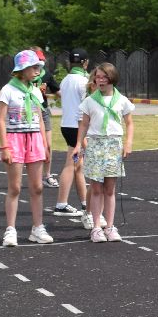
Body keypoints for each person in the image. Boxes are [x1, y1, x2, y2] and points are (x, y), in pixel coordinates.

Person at [0, 49, 53, 247]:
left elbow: (40, 119)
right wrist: (4, 146)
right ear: (22, 69)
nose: (38, 70)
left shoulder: (36, 91)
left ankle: (37, 228)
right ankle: (10, 230)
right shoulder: (8, 90)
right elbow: (1, 120)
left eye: (39, 66)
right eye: (34, 66)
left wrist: (45, 146)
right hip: (15, 140)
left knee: (37, 187)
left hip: (35, 140)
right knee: (15, 187)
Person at [74, 62, 135, 243]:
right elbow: (84, 124)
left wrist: (128, 142)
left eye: (103, 77)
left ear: (111, 78)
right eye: (97, 77)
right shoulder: (90, 101)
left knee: (110, 189)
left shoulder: (122, 100)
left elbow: (129, 123)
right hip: (95, 144)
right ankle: (96, 228)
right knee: (96, 188)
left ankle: (109, 226)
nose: (99, 80)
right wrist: (78, 144)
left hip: (114, 145)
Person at [52, 49, 91, 221]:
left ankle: (84, 203)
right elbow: (86, 108)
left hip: (66, 125)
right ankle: (61, 204)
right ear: (85, 63)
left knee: (78, 166)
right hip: (77, 127)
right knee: (71, 164)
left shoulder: (66, 80)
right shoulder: (84, 81)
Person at [30, 46, 60, 189]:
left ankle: (47, 175)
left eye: (41, 60)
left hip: (43, 111)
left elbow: (57, 90)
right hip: (29, 112)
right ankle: (33, 175)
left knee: (47, 144)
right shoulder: (24, 76)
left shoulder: (46, 75)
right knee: (31, 145)